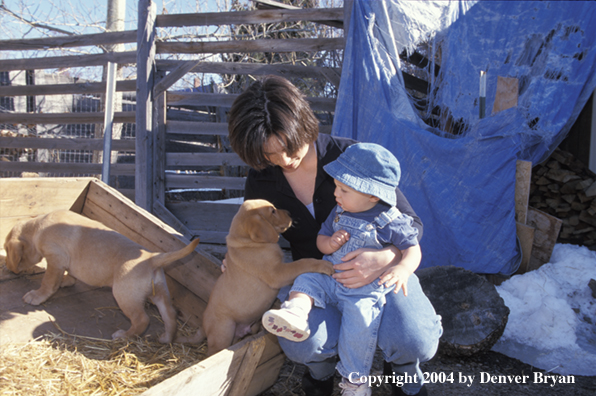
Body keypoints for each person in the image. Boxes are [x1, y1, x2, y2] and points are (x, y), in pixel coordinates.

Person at [227, 75, 442, 396]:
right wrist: (235, 260)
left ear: (302, 124)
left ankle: (404, 369)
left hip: (380, 274)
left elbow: (410, 223)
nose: (284, 160)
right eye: (269, 155)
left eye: (287, 146)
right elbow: (250, 235)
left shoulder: (352, 157)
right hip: (320, 281)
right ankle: (320, 371)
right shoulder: (261, 181)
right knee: (301, 342)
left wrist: (387, 257)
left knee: (414, 338)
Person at [262, 142, 422, 396]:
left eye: (343, 189)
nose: (336, 193)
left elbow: (413, 248)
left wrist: (400, 266)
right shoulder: (339, 211)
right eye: (336, 186)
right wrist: (329, 243)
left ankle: (355, 382)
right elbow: (321, 240)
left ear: (372, 195)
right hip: (333, 275)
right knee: (307, 278)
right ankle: (296, 311)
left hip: (363, 290)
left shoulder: (389, 219)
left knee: (359, 331)